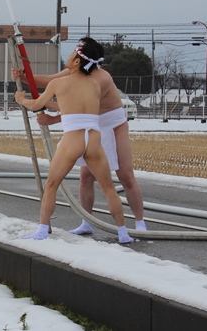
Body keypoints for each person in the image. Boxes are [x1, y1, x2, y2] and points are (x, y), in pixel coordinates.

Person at [12, 36, 146, 234]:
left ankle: (140, 222)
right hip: (88, 126)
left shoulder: (100, 79)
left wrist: (52, 116)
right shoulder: (78, 71)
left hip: (112, 123)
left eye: (78, 49)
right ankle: (87, 222)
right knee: (85, 177)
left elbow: (78, 109)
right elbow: (52, 82)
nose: (73, 52)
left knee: (125, 175)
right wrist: (24, 77)